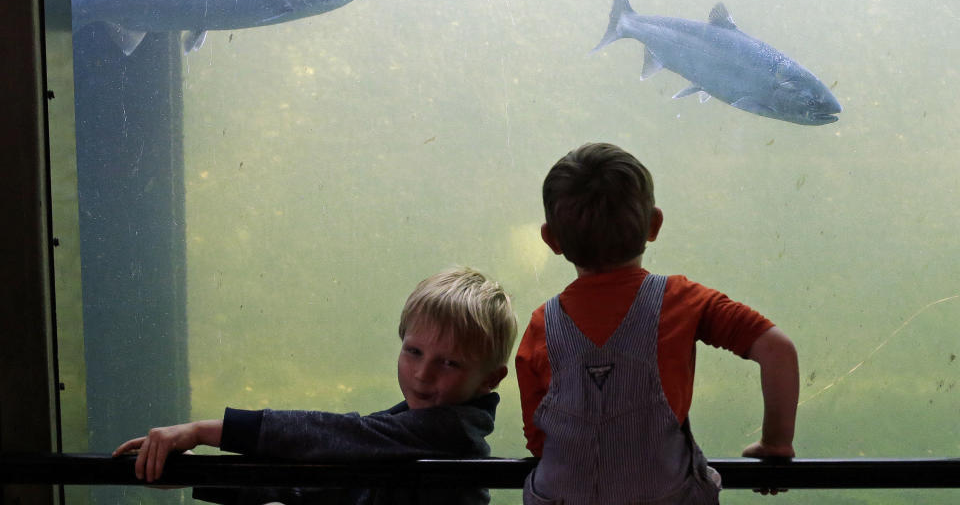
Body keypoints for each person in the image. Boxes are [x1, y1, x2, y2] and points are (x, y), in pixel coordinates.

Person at [515, 142, 799, 504]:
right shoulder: (683, 300)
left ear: (551, 240)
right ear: (654, 224)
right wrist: (776, 442)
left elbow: (538, 437)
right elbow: (778, 350)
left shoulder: (542, 324)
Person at [114, 266, 518, 505]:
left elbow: (333, 436)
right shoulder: (406, 429)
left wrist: (203, 431)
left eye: (448, 363)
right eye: (413, 351)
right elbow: (330, 477)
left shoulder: (449, 432)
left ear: (490, 380)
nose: (423, 374)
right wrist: (196, 473)